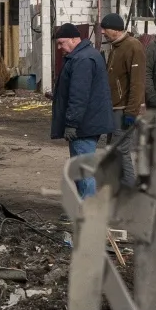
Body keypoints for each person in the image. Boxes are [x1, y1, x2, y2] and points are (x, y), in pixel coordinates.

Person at [51, 22, 113, 199]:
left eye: (61, 42)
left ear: (73, 39)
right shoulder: (86, 55)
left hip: (84, 125)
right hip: (88, 122)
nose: (59, 47)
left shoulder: (82, 59)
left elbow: (79, 95)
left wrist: (71, 124)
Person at [100, 12, 147, 188]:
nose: (103, 32)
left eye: (105, 28)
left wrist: (131, 112)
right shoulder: (116, 47)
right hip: (114, 109)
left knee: (120, 151)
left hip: (125, 110)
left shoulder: (133, 47)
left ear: (116, 29)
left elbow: (138, 82)